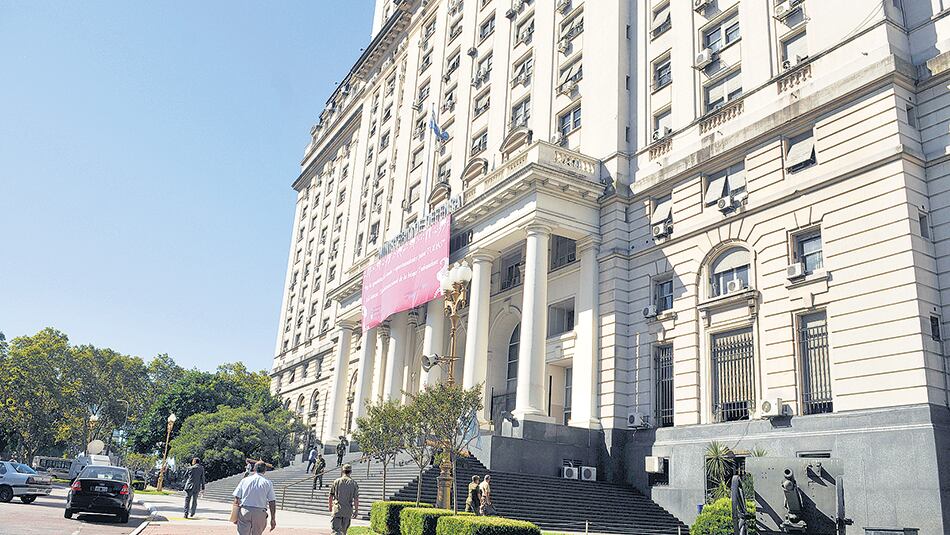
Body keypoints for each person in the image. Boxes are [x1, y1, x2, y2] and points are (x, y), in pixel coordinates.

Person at [232, 461, 277, 535]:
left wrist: (234, 515)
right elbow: (272, 501)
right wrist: (273, 519)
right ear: (265, 471)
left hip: (245, 510)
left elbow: (237, 498)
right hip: (260, 512)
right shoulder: (268, 483)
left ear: (254, 469)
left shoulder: (244, 480)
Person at [328, 463, 359, 535]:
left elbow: (330, 496)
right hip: (347, 511)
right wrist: (356, 510)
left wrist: (330, 507)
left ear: (342, 471)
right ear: (351, 472)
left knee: (335, 531)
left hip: (337, 509)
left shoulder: (336, 481)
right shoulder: (353, 483)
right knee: (344, 531)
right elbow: (356, 499)